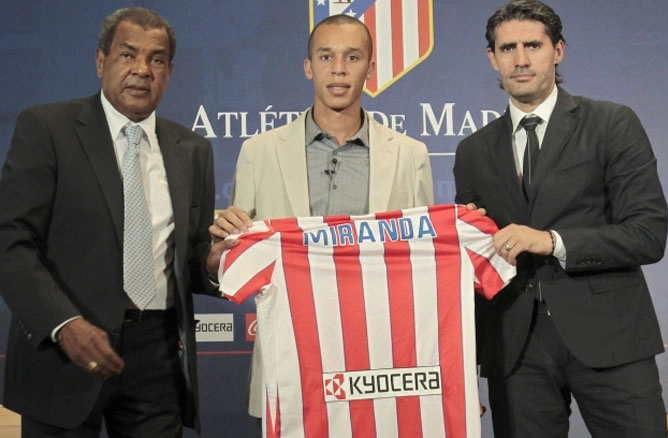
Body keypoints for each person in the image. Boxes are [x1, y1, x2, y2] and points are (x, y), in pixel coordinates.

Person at [0, 7, 225, 436]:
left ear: (170, 71)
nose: (142, 70)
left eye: (156, 59)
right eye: (128, 55)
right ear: (101, 61)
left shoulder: (192, 149)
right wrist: (63, 324)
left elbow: (190, 260)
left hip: (158, 356)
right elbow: (10, 241)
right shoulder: (48, 129)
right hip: (64, 350)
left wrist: (213, 263)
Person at [453, 0, 668, 436]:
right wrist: (459, 369)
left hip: (611, 338)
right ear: (492, 58)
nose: (521, 58)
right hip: (515, 349)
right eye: (508, 47)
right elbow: (469, 266)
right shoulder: (473, 151)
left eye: (533, 44)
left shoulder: (611, 123)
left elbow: (648, 234)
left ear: (558, 50)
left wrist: (552, 241)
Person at [209, 14, 434, 422]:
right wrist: (220, 251)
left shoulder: (409, 154)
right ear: (308, 66)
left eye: (352, 56)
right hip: (290, 352)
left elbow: (425, 263)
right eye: (326, 56)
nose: (339, 69)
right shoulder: (260, 152)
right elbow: (232, 260)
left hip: (380, 356)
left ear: (370, 67)